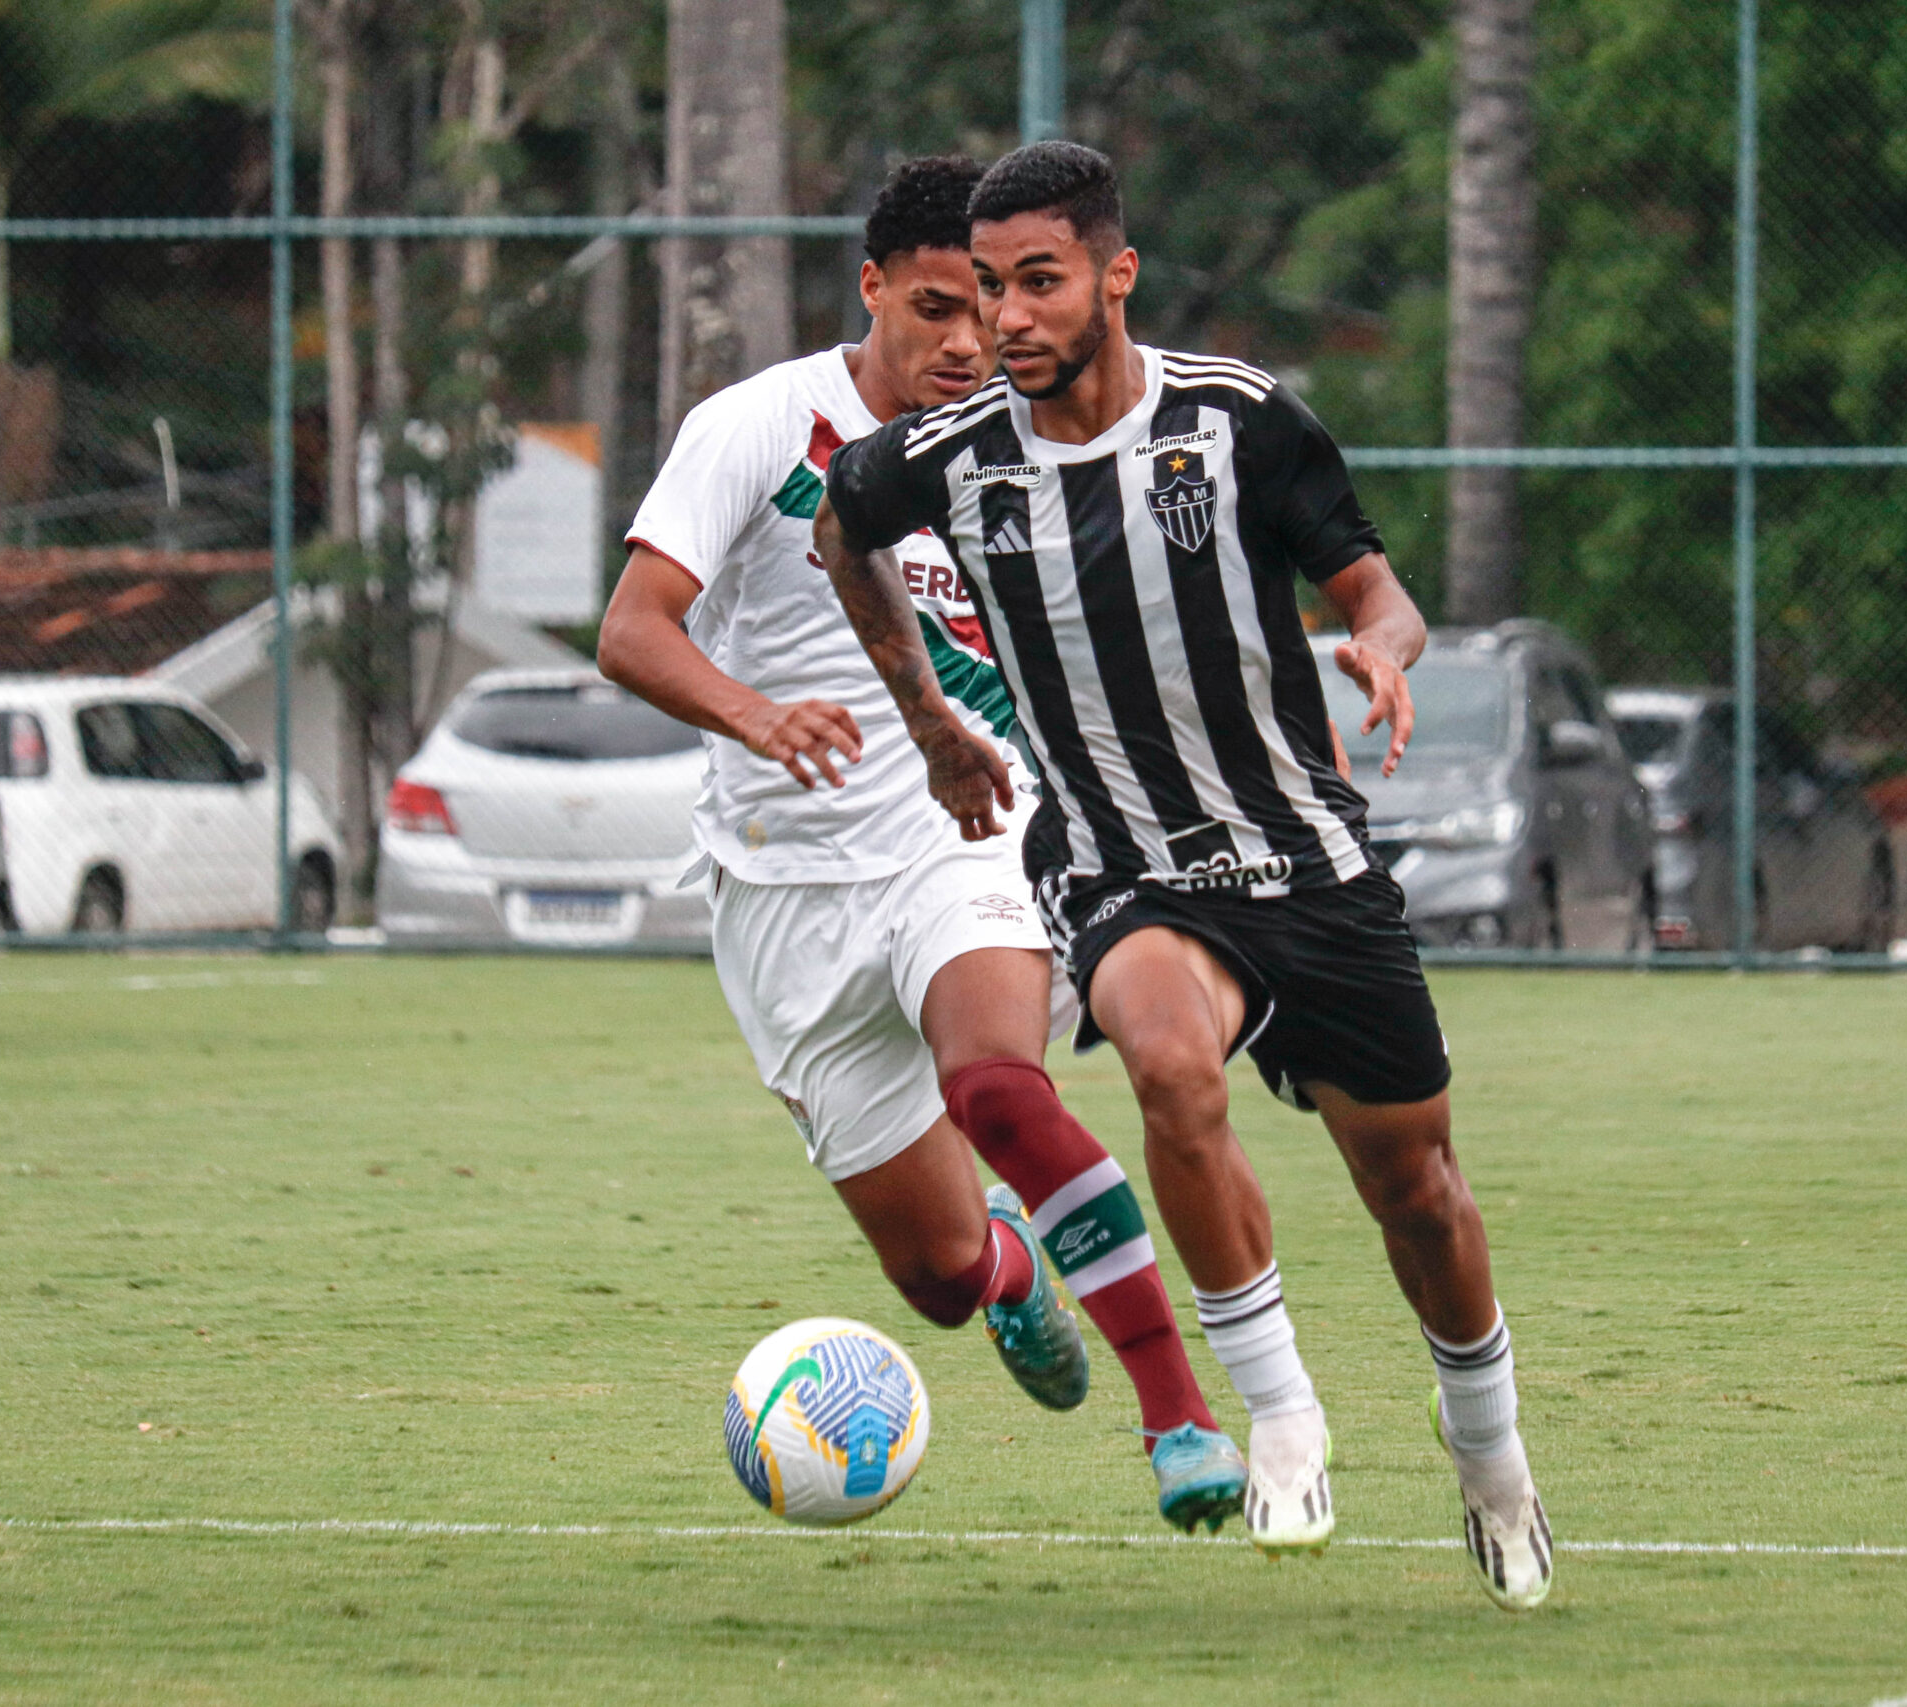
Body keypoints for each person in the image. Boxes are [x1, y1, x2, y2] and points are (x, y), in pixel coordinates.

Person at [815, 141, 1551, 1608]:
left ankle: (1490, 1454)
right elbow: (846, 531)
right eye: (983, 290)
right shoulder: (947, 458)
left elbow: (1379, 593)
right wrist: (930, 723)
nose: (1007, 319)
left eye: (1040, 283)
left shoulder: (1242, 423)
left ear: (1113, 275)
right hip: (1121, 866)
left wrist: (1381, 657)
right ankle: (1276, 1411)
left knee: (1418, 1192)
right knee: (1164, 1064)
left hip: (1308, 862)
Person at [597, 154, 1246, 1532]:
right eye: (942, 307)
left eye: (998, 304)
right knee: (940, 1278)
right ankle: (1013, 1272)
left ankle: (1179, 1417)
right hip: (783, 893)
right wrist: (757, 715)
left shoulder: (1035, 436)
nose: (972, 340)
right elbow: (632, 629)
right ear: (876, 287)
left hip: (974, 838)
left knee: (995, 1081)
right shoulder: (758, 426)